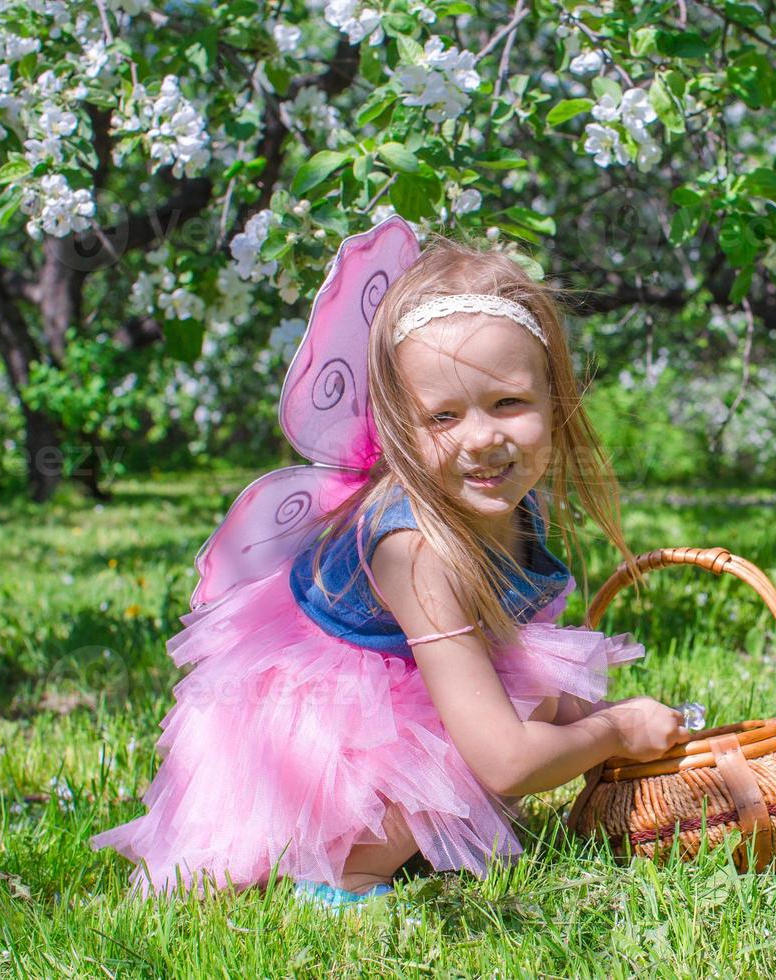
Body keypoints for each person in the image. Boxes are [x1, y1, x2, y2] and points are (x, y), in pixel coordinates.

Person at [89, 216, 693, 907]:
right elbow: (503, 759)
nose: (483, 439)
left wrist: (577, 721)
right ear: (399, 426)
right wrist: (613, 728)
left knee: (548, 700)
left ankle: (412, 827)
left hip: (401, 676)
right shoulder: (414, 548)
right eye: (442, 417)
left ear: (554, 399)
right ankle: (341, 871)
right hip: (323, 734)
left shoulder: (510, 498)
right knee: (497, 737)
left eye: (509, 403)